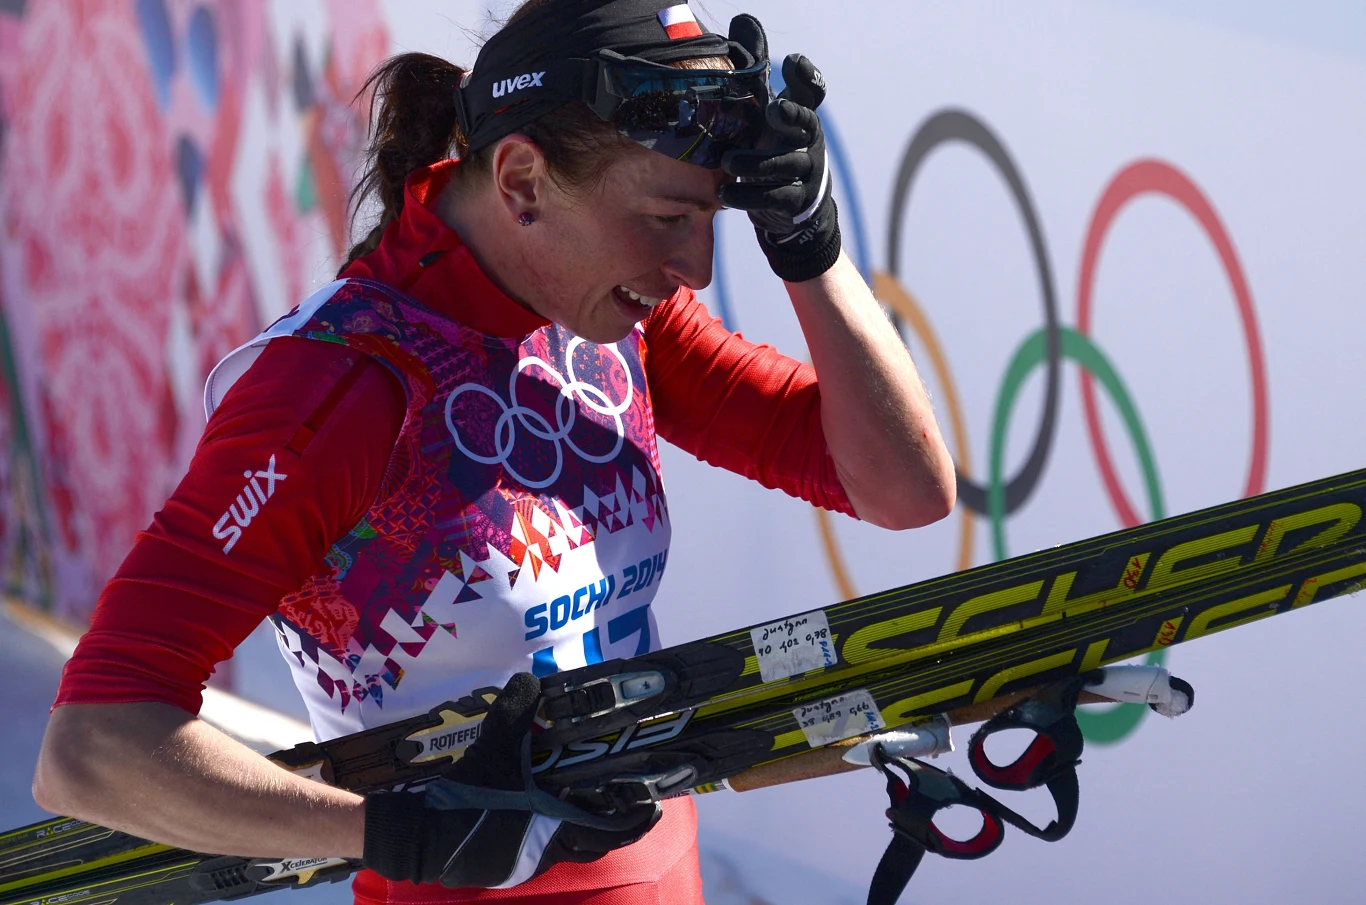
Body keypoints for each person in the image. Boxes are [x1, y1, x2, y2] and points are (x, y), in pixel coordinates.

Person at [32, 1, 956, 902]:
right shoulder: (339, 389)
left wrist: (812, 247)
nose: (698, 267)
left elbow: (905, 489)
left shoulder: (617, 314)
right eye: (669, 217)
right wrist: (393, 835)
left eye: (711, 218)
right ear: (520, 181)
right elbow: (92, 747)